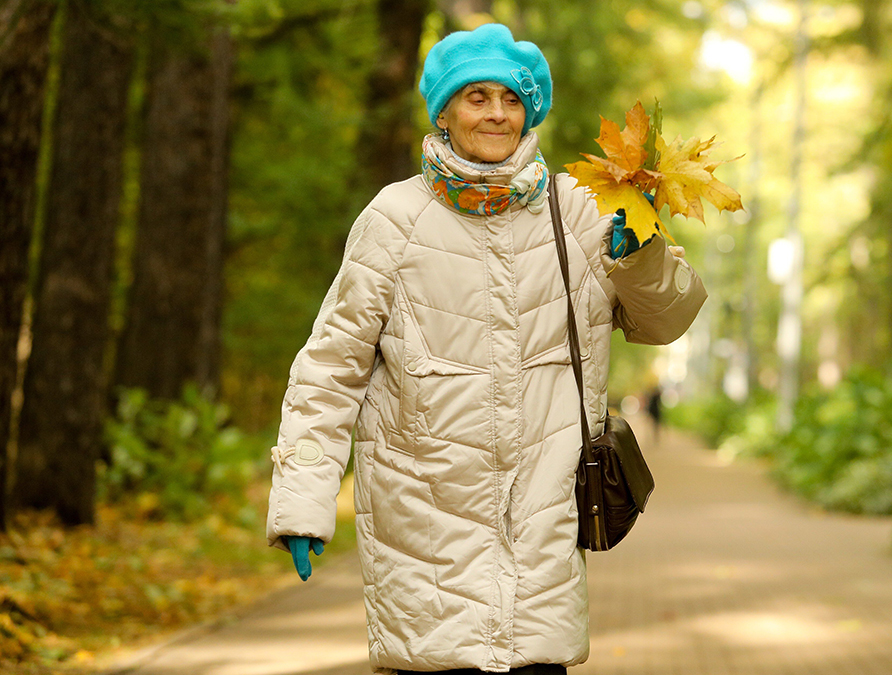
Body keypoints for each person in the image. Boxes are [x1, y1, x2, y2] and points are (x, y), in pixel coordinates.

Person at [265, 23, 706, 674]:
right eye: (476, 97)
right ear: (444, 112)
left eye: (510, 98)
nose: (496, 113)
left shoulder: (581, 210)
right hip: (422, 536)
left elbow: (666, 320)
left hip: (542, 537)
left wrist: (638, 258)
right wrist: (303, 497)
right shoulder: (394, 221)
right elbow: (331, 368)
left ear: (529, 110)